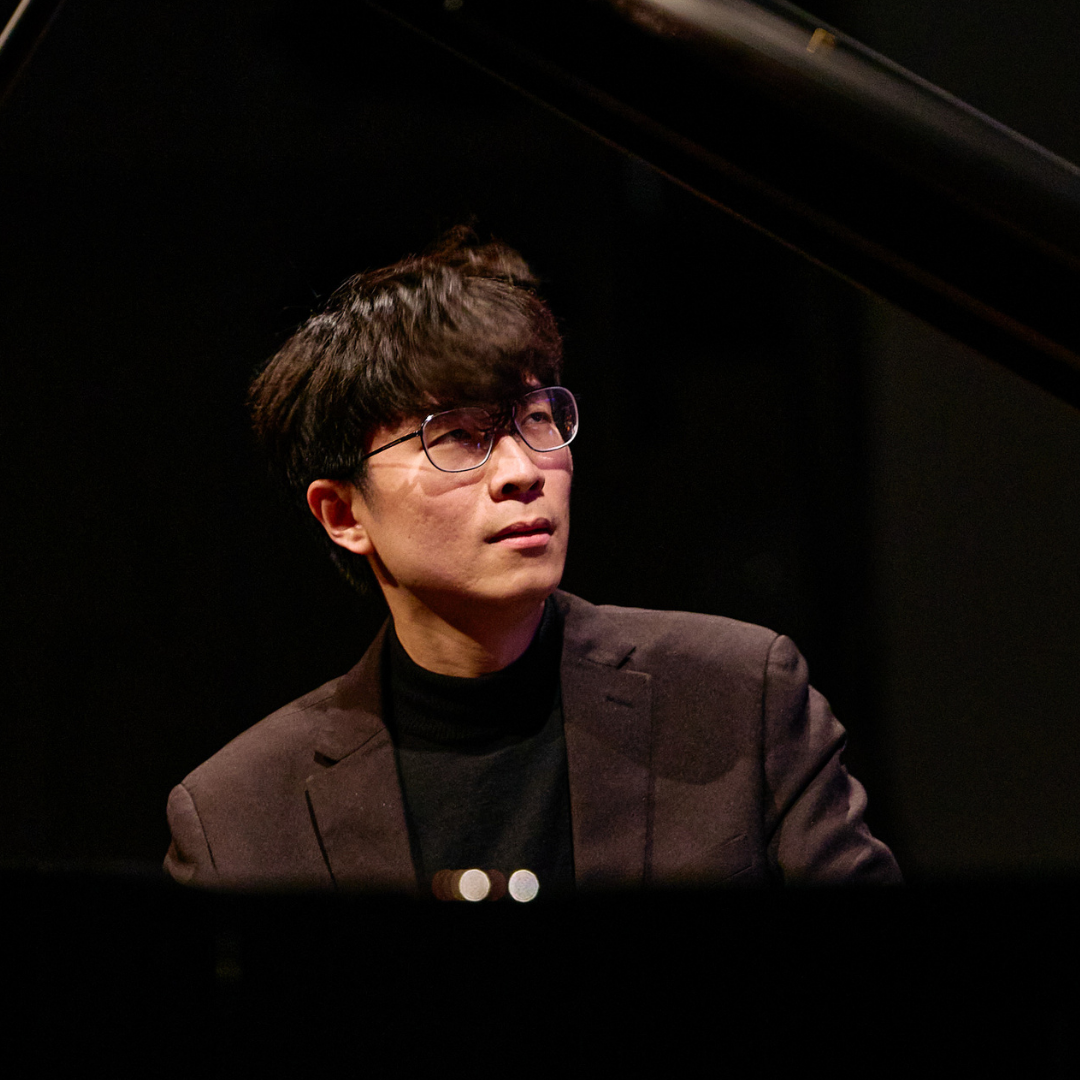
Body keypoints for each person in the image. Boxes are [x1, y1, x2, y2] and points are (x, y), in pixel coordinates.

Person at [164, 228, 900, 894]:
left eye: (536, 418)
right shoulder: (239, 818)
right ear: (344, 513)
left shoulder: (739, 697)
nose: (523, 468)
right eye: (457, 435)